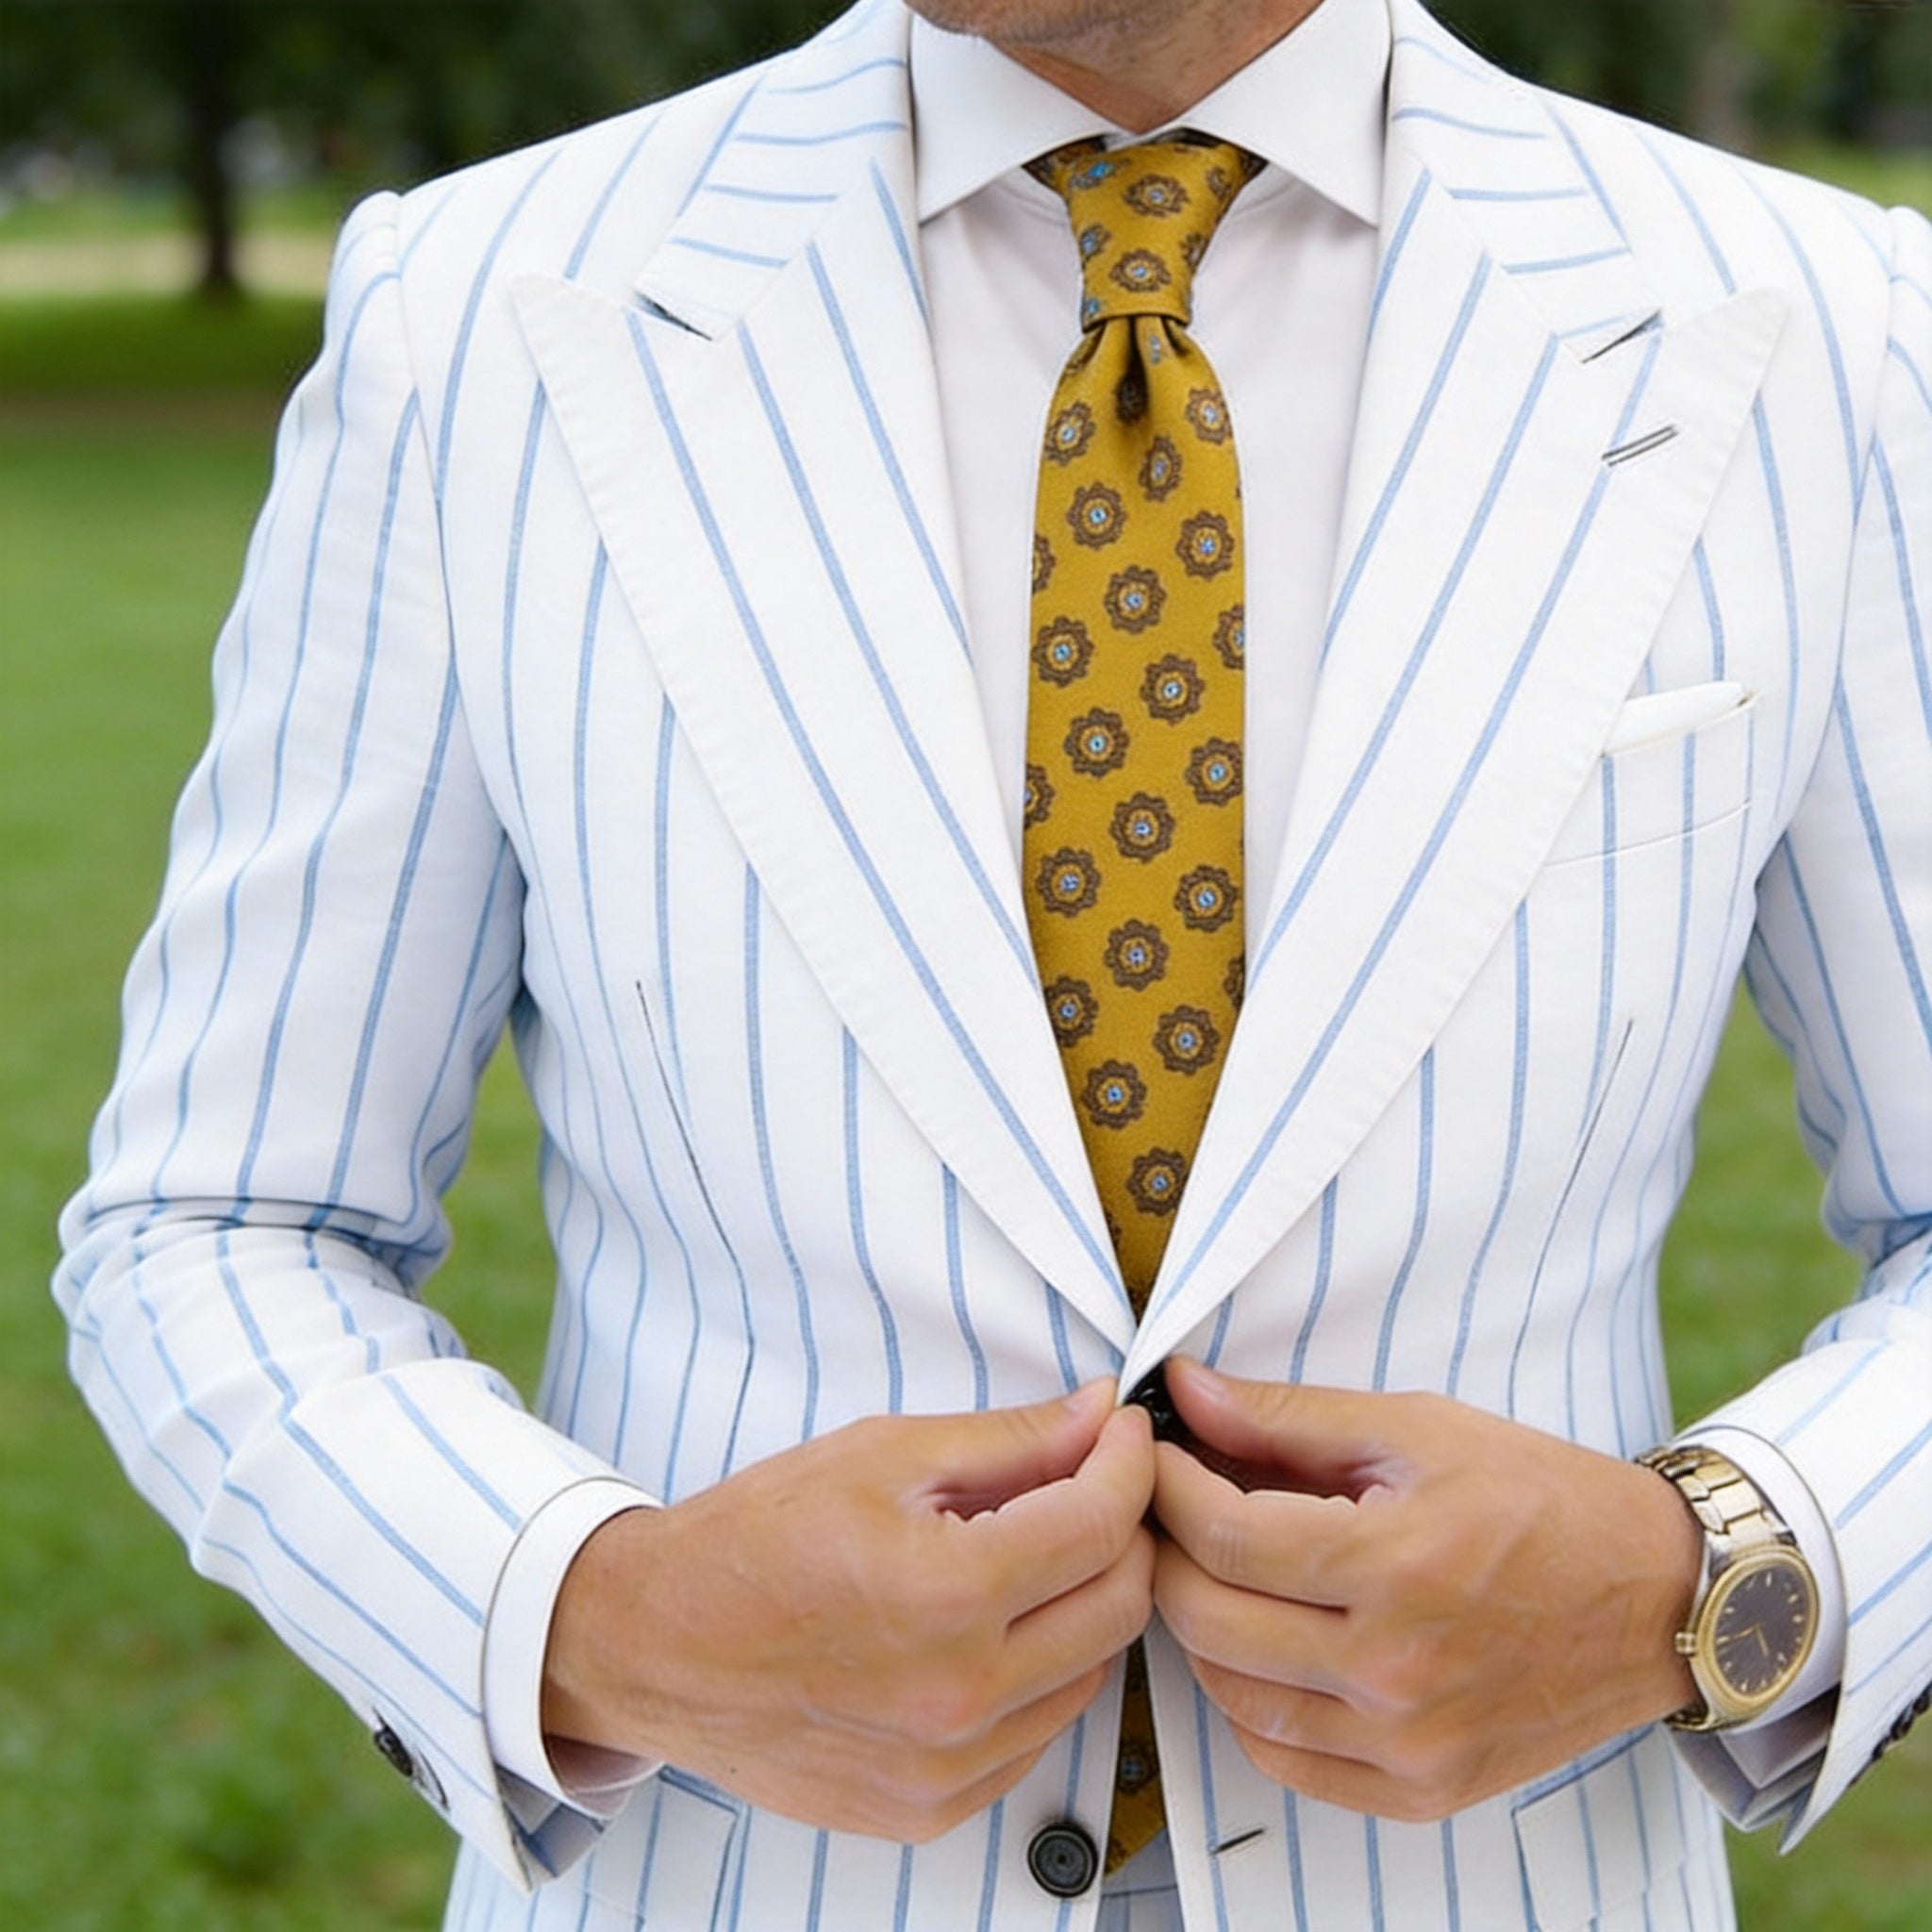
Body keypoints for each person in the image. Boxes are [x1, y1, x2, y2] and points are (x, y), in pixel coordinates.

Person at [54, 0, 1932, 1924]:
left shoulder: (1817, 324)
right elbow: (218, 1221)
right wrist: (599, 1617)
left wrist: (1703, 1576)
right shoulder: (477, 311)